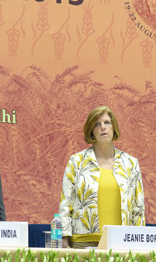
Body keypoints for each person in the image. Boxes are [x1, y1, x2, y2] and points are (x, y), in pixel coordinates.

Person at [59, 106, 145, 248]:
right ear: (91, 131)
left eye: (107, 123)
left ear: (114, 127)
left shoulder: (131, 163)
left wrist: (140, 242)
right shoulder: (77, 161)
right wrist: (63, 239)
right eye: (97, 124)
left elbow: (138, 208)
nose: (103, 127)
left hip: (122, 242)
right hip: (83, 241)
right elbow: (65, 204)